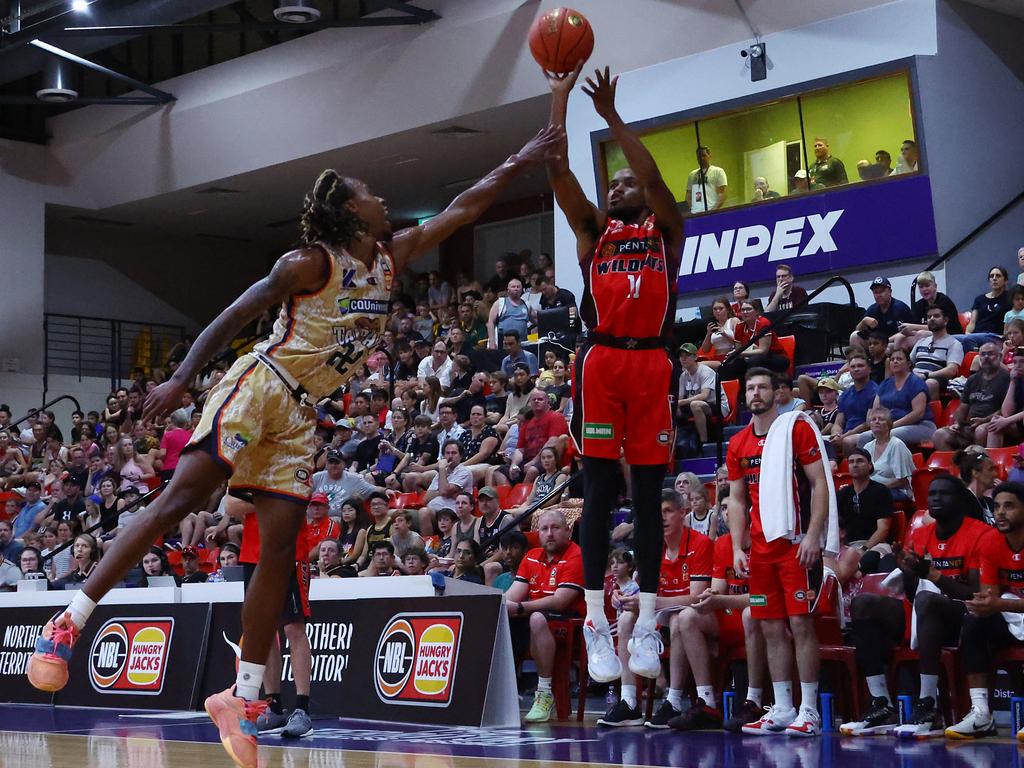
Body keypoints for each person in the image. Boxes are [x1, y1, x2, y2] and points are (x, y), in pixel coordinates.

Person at [26, 127, 561, 767]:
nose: (381, 197)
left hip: (303, 415)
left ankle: (243, 696)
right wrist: (181, 378)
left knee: (279, 548)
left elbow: (467, 206)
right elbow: (236, 314)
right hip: (261, 386)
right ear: (345, 212)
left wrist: (519, 157)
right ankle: (70, 622)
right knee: (179, 500)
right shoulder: (309, 263)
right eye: (367, 193)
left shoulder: (393, 255)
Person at [839, 475, 993, 738]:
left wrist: (932, 575)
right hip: (924, 616)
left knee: (927, 601)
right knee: (863, 603)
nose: (934, 498)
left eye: (943, 494)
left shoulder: (980, 534)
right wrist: (907, 571)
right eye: (931, 494)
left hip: (964, 618)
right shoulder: (920, 535)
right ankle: (881, 704)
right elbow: (912, 592)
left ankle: (928, 706)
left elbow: (975, 596)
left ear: (959, 500)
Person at [726, 368, 833, 736]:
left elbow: (819, 484)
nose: (755, 393)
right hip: (759, 550)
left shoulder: (795, 429)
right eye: (750, 388)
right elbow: (736, 500)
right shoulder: (738, 443)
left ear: (778, 393)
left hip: (794, 543)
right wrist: (738, 547)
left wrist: (813, 535)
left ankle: (809, 710)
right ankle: (784, 707)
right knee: (770, 626)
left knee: (800, 623)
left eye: (762, 387)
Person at [599, 489, 713, 727]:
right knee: (626, 620)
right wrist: (621, 597)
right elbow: (636, 587)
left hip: (704, 615)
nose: (662, 518)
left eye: (668, 511)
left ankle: (675, 700)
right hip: (665, 615)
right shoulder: (652, 548)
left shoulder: (701, 543)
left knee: (682, 617)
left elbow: (696, 598)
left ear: (683, 513)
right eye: (657, 513)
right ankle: (629, 702)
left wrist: (652, 603)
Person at [944, 482, 1024, 739]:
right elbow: (991, 596)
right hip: (1013, 615)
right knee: (975, 621)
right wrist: (983, 604)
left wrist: (1001, 604)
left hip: (1013, 608)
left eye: (1009, 506)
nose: (1000, 512)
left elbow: (1000, 602)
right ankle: (980, 713)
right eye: (997, 506)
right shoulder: (990, 542)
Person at [505, 509, 585, 722]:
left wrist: (521, 608)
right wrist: (496, 605)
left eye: (555, 528)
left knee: (537, 618)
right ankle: (500, 690)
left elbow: (561, 601)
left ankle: (544, 693)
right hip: (533, 617)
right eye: (544, 529)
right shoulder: (531, 556)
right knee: (499, 620)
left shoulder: (576, 556)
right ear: (538, 533)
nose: (549, 533)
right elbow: (513, 595)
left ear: (568, 532)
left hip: (569, 621)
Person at [934, 342, 1009, 450]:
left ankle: (981, 464)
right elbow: (963, 406)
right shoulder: (972, 380)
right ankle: (953, 465)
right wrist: (957, 423)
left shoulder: (1006, 378)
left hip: (993, 424)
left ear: (1000, 356)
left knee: (980, 430)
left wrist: (983, 420)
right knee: (940, 434)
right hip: (970, 426)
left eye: (991, 354)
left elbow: (1005, 410)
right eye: (983, 354)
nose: (986, 357)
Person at [836, 449, 894, 574]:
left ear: (870, 465)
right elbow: (835, 527)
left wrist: (863, 549)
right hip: (848, 546)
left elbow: (883, 529)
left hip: (875, 545)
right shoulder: (842, 494)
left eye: (860, 461)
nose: (855, 464)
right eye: (851, 462)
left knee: (874, 555)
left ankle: (854, 571)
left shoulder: (881, 492)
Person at [893, 270, 963, 350]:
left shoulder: (944, 301)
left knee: (921, 334)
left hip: (950, 334)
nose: (924, 289)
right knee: (898, 338)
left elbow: (939, 326)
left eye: (927, 285)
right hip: (929, 334)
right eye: (921, 287)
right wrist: (887, 340)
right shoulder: (919, 305)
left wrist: (912, 327)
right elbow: (915, 328)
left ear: (935, 286)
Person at [909, 306, 964, 399]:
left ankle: (930, 413)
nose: (932, 319)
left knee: (930, 383)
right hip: (915, 377)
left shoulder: (954, 344)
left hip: (936, 379)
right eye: (929, 317)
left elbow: (951, 370)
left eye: (936, 316)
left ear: (945, 320)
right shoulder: (921, 341)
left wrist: (926, 375)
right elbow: (908, 363)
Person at [677, 343, 723, 445]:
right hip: (696, 404)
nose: (683, 359)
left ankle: (704, 443)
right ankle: (679, 443)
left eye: (687, 356)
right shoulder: (683, 376)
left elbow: (704, 396)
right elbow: (679, 398)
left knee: (695, 405)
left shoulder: (705, 372)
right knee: (672, 407)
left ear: (695, 357)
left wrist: (681, 402)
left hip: (716, 404)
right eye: (681, 356)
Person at [728, 301, 790, 377]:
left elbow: (763, 350)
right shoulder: (739, 326)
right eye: (743, 310)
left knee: (754, 360)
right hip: (751, 356)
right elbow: (739, 349)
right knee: (733, 364)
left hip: (775, 356)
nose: (745, 312)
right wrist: (734, 354)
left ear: (756, 312)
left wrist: (740, 354)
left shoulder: (763, 323)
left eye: (748, 309)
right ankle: (742, 388)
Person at [958, 266, 1012, 351]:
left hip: (995, 336)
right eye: (991, 276)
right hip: (976, 335)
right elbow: (972, 323)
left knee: (968, 340)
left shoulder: (1010, 298)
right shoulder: (979, 299)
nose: (994, 278)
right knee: (952, 339)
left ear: (1005, 280)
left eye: (998, 276)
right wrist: (967, 334)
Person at [851, 277, 914, 349]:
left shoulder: (901, 308)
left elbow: (908, 332)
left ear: (890, 291)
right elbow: (857, 330)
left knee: (894, 344)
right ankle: (861, 359)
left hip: (893, 343)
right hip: (876, 344)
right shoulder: (872, 309)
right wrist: (864, 321)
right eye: (876, 292)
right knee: (854, 336)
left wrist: (884, 342)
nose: (879, 295)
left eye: (882, 291)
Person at [487, 278, 536, 350]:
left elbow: (537, 320)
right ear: (508, 289)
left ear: (522, 289)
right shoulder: (500, 303)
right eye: (513, 287)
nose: (516, 289)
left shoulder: (526, 304)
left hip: (522, 345)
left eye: (518, 287)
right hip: (503, 345)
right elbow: (491, 322)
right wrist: (492, 342)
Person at [698, 298, 739, 368]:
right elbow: (705, 350)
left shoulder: (733, 321)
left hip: (730, 357)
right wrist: (708, 334)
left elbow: (740, 345)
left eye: (721, 308)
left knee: (699, 365)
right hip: (716, 358)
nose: (718, 311)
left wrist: (725, 334)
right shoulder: (713, 326)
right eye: (715, 309)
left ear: (727, 309)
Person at [685, 145, 728, 212]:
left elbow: (722, 193)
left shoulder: (718, 171)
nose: (701, 158)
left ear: (709, 156)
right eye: (699, 156)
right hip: (696, 213)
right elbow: (688, 195)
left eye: (704, 155)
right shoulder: (692, 175)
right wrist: (692, 210)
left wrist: (714, 210)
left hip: (712, 211)